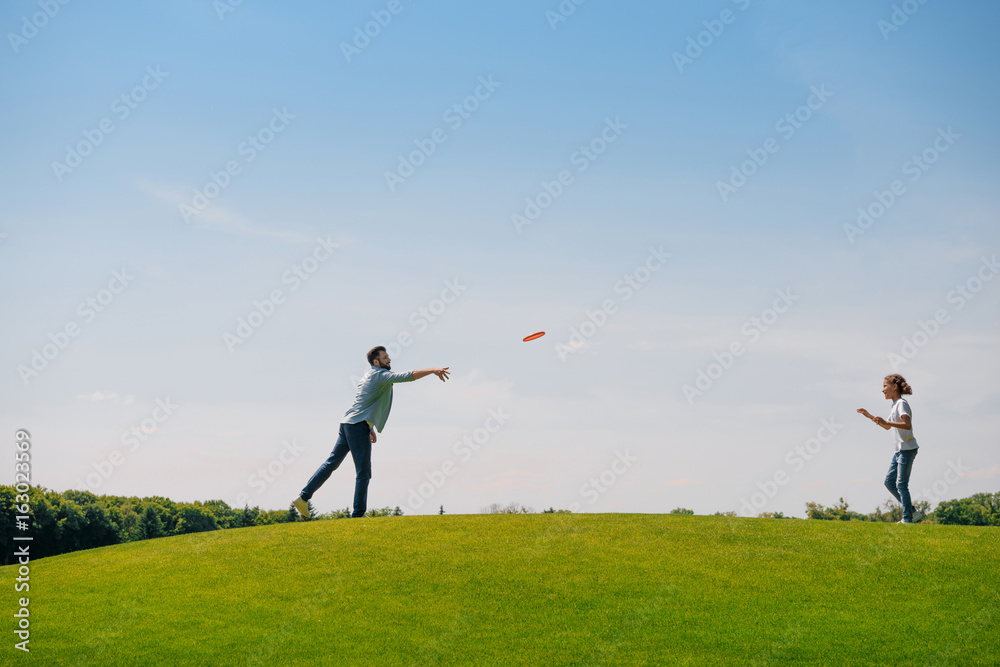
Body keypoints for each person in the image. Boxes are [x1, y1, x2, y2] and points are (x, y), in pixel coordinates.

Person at [292, 346, 449, 519]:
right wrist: (433, 370)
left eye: (388, 356)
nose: (389, 359)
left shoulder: (368, 375)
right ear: (376, 361)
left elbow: (364, 402)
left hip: (348, 424)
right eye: (385, 357)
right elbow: (406, 376)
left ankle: (303, 497)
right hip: (357, 426)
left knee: (331, 463)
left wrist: (370, 427)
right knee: (363, 472)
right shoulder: (380, 375)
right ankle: (358, 514)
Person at [857, 374, 919, 523]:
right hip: (899, 451)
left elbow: (907, 424)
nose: (883, 390)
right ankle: (912, 512)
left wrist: (887, 422)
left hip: (907, 449)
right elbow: (886, 426)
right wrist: (870, 416)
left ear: (894, 387)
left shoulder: (901, 404)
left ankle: (908, 519)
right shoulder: (894, 406)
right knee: (889, 483)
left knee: (901, 484)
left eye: (885, 386)